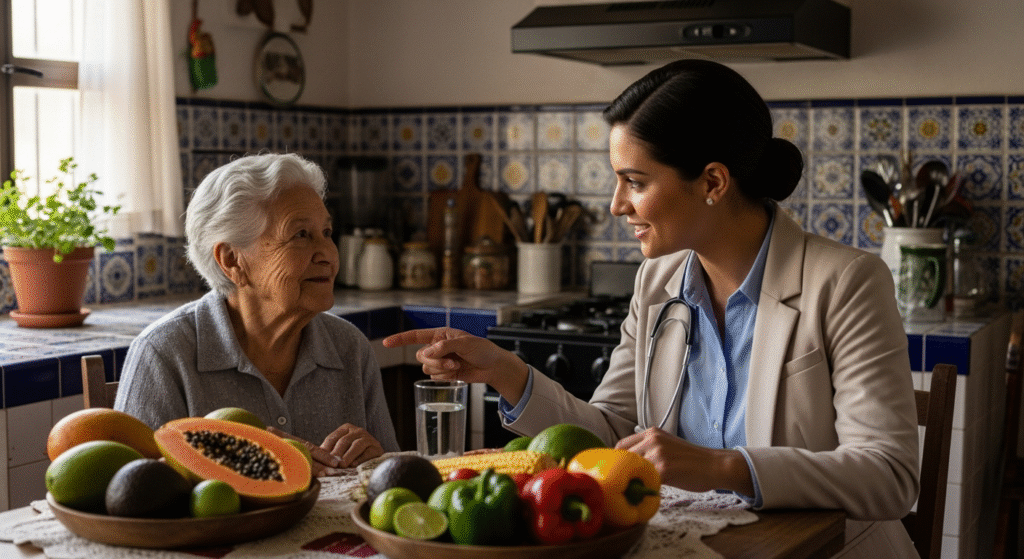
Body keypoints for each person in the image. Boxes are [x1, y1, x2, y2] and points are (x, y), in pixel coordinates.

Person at [383, 59, 920, 557]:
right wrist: (508, 373)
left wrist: (721, 467)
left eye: (635, 182)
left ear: (713, 182)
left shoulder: (847, 282)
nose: (617, 205)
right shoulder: (656, 282)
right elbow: (613, 436)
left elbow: (889, 476)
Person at [116, 153, 399, 473]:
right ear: (233, 260)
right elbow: (134, 500)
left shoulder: (350, 348)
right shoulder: (164, 354)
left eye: (327, 233)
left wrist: (379, 462)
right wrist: (243, 466)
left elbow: (391, 491)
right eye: (301, 235)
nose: (328, 255)